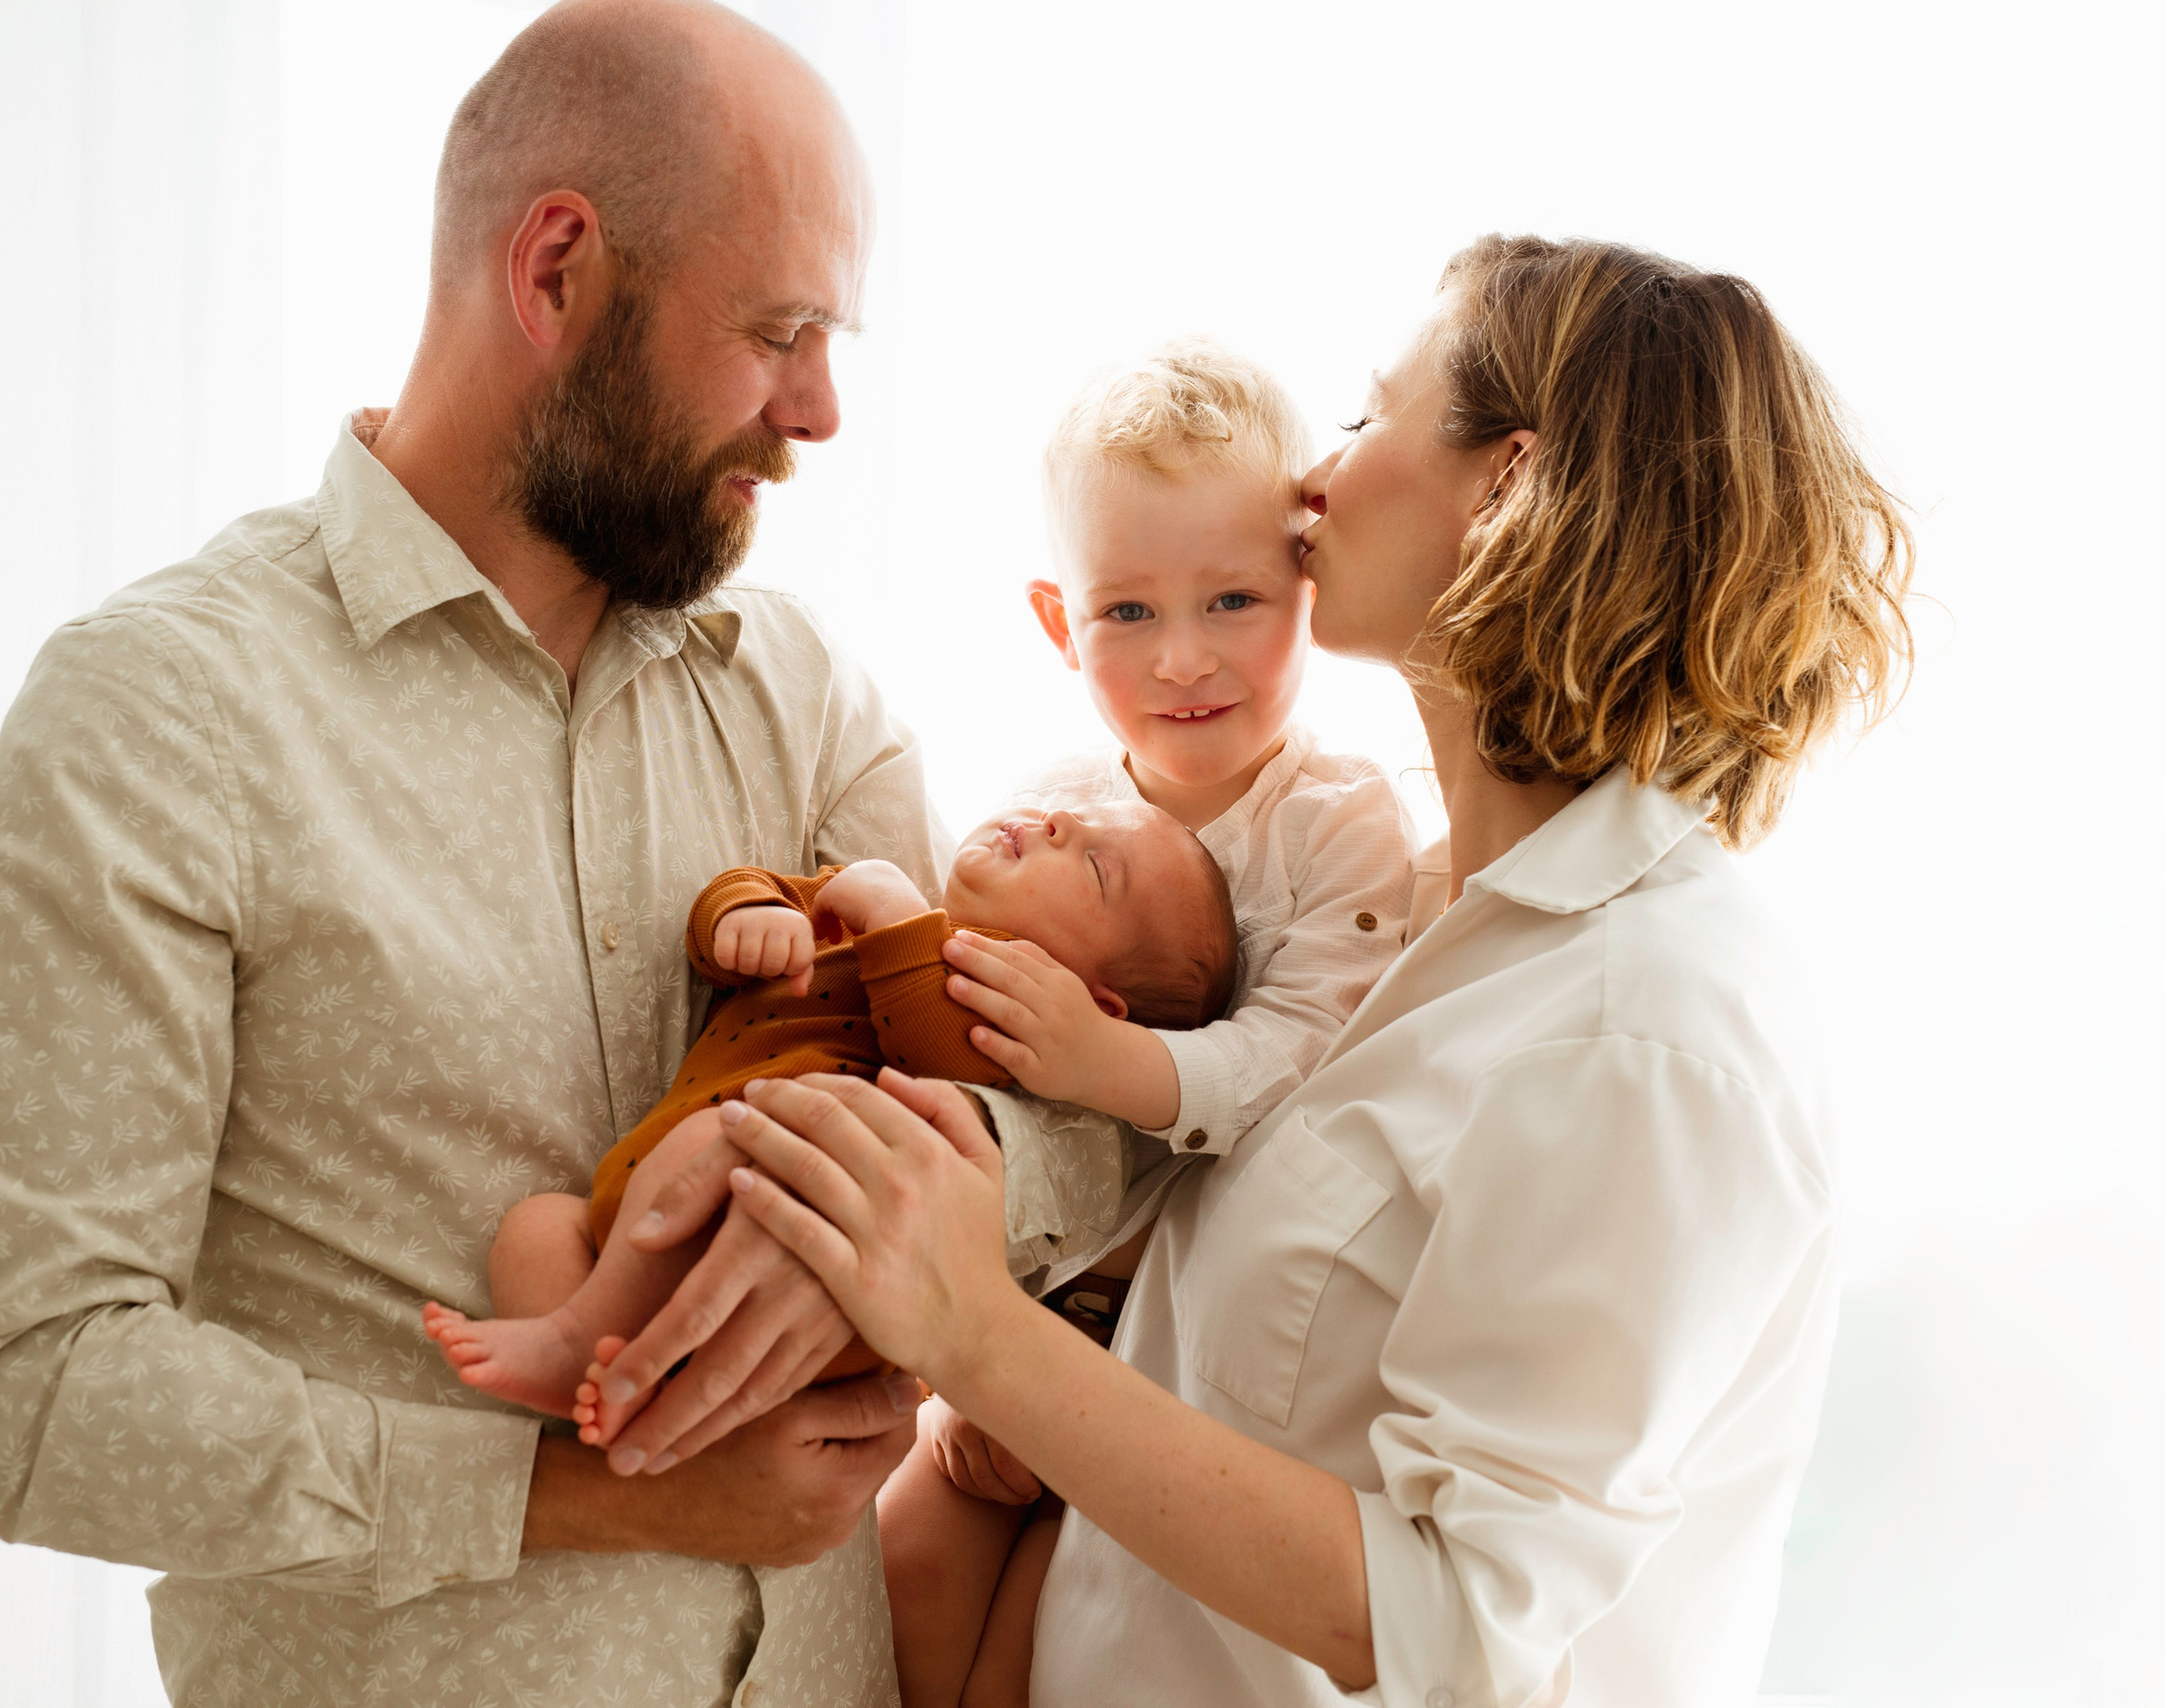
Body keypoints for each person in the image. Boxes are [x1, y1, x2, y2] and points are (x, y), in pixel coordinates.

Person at [0, 4, 1122, 1704]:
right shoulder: (159, 717)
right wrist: (584, 1491)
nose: (823, 408)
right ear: (554, 271)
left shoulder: (804, 695)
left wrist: (920, 1189)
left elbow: (1073, 1105)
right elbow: (10, 1386)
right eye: (779, 330)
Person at [656, 234, 1916, 1707]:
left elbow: (1460, 1626)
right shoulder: (1401, 925)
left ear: (1505, 491)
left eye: (1373, 416)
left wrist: (977, 1334)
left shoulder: (1647, 1023)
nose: (1314, 478)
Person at [874, 339, 1415, 1708]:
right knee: (906, 1569)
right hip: (1027, 1290)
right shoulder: (1054, 803)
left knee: (1050, 1640)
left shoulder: (1337, 822)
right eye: (1126, 611)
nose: (1183, 657)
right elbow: (956, 1026)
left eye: (1232, 598)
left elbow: (1303, 1054)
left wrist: (1111, 1058)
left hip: (1177, 1352)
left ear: (1308, 584)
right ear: (1059, 623)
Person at [420, 806, 1234, 1417]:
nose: (1055, 823)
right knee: (533, 1230)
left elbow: (939, 1053)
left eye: (1094, 865)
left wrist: (899, 918)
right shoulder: (880, 912)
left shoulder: (1010, 1023)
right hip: (648, 1213)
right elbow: (767, 893)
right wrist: (745, 914)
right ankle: (614, 1389)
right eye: (1066, 813)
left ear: (1095, 1004)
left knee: (729, 1134)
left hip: (783, 1228)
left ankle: (578, 1341)